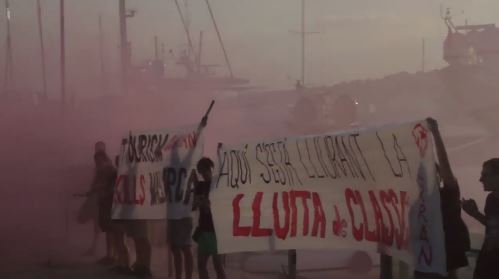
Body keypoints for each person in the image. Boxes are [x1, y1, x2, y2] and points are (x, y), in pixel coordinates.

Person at [414, 118, 470, 279]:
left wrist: (436, 134)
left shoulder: (447, 195)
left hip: (441, 260)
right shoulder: (416, 202)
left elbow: (444, 164)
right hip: (426, 260)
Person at [462, 158, 499, 279]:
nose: (481, 179)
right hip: (487, 255)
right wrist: (475, 213)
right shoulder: (491, 199)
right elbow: (492, 225)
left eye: (485, 175)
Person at [193, 157, 226, 279]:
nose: (203, 175)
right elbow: (194, 204)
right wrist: (200, 202)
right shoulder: (200, 186)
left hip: (216, 230)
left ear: (209, 169)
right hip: (204, 229)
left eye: (204, 171)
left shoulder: (216, 185)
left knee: (218, 265)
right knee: (201, 264)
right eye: (201, 172)